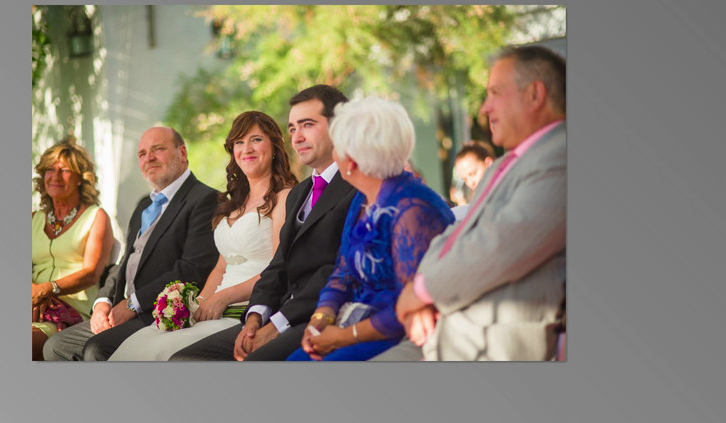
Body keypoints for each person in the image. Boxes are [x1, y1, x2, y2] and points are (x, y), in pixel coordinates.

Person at [391, 45, 566, 361]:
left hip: (492, 344)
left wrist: (420, 292)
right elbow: (449, 239)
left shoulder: (562, 156)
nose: (484, 108)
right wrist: (421, 294)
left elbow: (497, 247)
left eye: (495, 93)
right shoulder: (501, 166)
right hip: (448, 332)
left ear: (535, 95)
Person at [169, 84, 357, 361]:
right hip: (274, 311)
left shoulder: (357, 187)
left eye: (307, 125)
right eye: (293, 128)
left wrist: (277, 323)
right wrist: (256, 317)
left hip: (322, 313)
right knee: (181, 359)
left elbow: (337, 268)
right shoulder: (301, 193)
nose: (297, 137)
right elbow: (279, 266)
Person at [109, 111, 297, 360]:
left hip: (248, 309)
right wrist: (198, 303)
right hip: (215, 306)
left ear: (274, 146)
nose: (246, 149)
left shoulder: (285, 197)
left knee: (167, 355)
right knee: (137, 346)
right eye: (239, 142)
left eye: (256, 140)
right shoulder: (234, 202)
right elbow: (221, 267)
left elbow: (278, 268)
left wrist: (223, 298)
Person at [286, 97, 455, 361]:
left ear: (351, 161)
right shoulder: (362, 198)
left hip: (397, 333)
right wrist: (321, 316)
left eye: (337, 148)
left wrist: (342, 336)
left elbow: (410, 304)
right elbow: (343, 268)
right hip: (351, 319)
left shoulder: (413, 209)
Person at [43, 127, 220, 361]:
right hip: (119, 311)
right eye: (142, 154)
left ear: (183, 153)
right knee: (56, 346)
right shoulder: (144, 204)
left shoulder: (206, 199)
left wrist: (133, 305)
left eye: (158, 149)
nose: (149, 158)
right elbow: (125, 261)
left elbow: (192, 269)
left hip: (157, 313)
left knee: (96, 349)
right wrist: (102, 303)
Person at [32, 139, 114, 361]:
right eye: (50, 169)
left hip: (71, 313)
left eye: (65, 170)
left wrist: (50, 288)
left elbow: (92, 273)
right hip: (34, 305)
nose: (55, 176)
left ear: (80, 178)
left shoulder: (96, 217)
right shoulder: (33, 219)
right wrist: (34, 290)